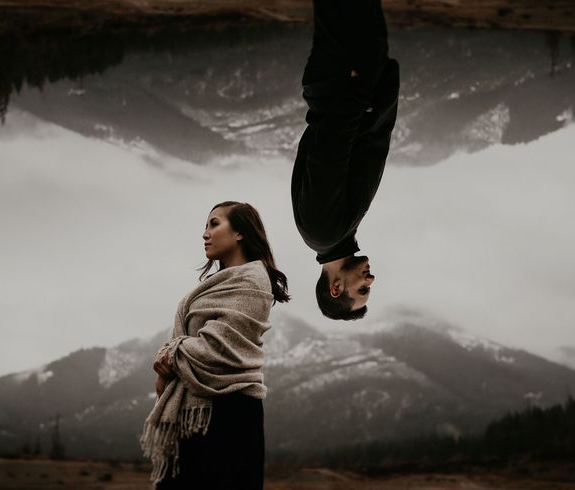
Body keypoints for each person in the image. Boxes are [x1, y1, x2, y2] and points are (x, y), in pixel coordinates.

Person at [140, 201, 289, 490]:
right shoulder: (215, 283)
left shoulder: (253, 281)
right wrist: (172, 360)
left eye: (214, 224)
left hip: (229, 415)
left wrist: (171, 354)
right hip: (196, 414)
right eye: (205, 226)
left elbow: (217, 349)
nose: (205, 233)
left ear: (240, 233)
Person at [291, 0, 400, 320]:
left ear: (336, 287)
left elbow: (329, 150)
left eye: (362, 288)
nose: (371, 280)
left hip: (344, 84)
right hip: (344, 86)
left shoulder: (323, 232)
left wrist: (358, 89)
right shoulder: (333, 234)